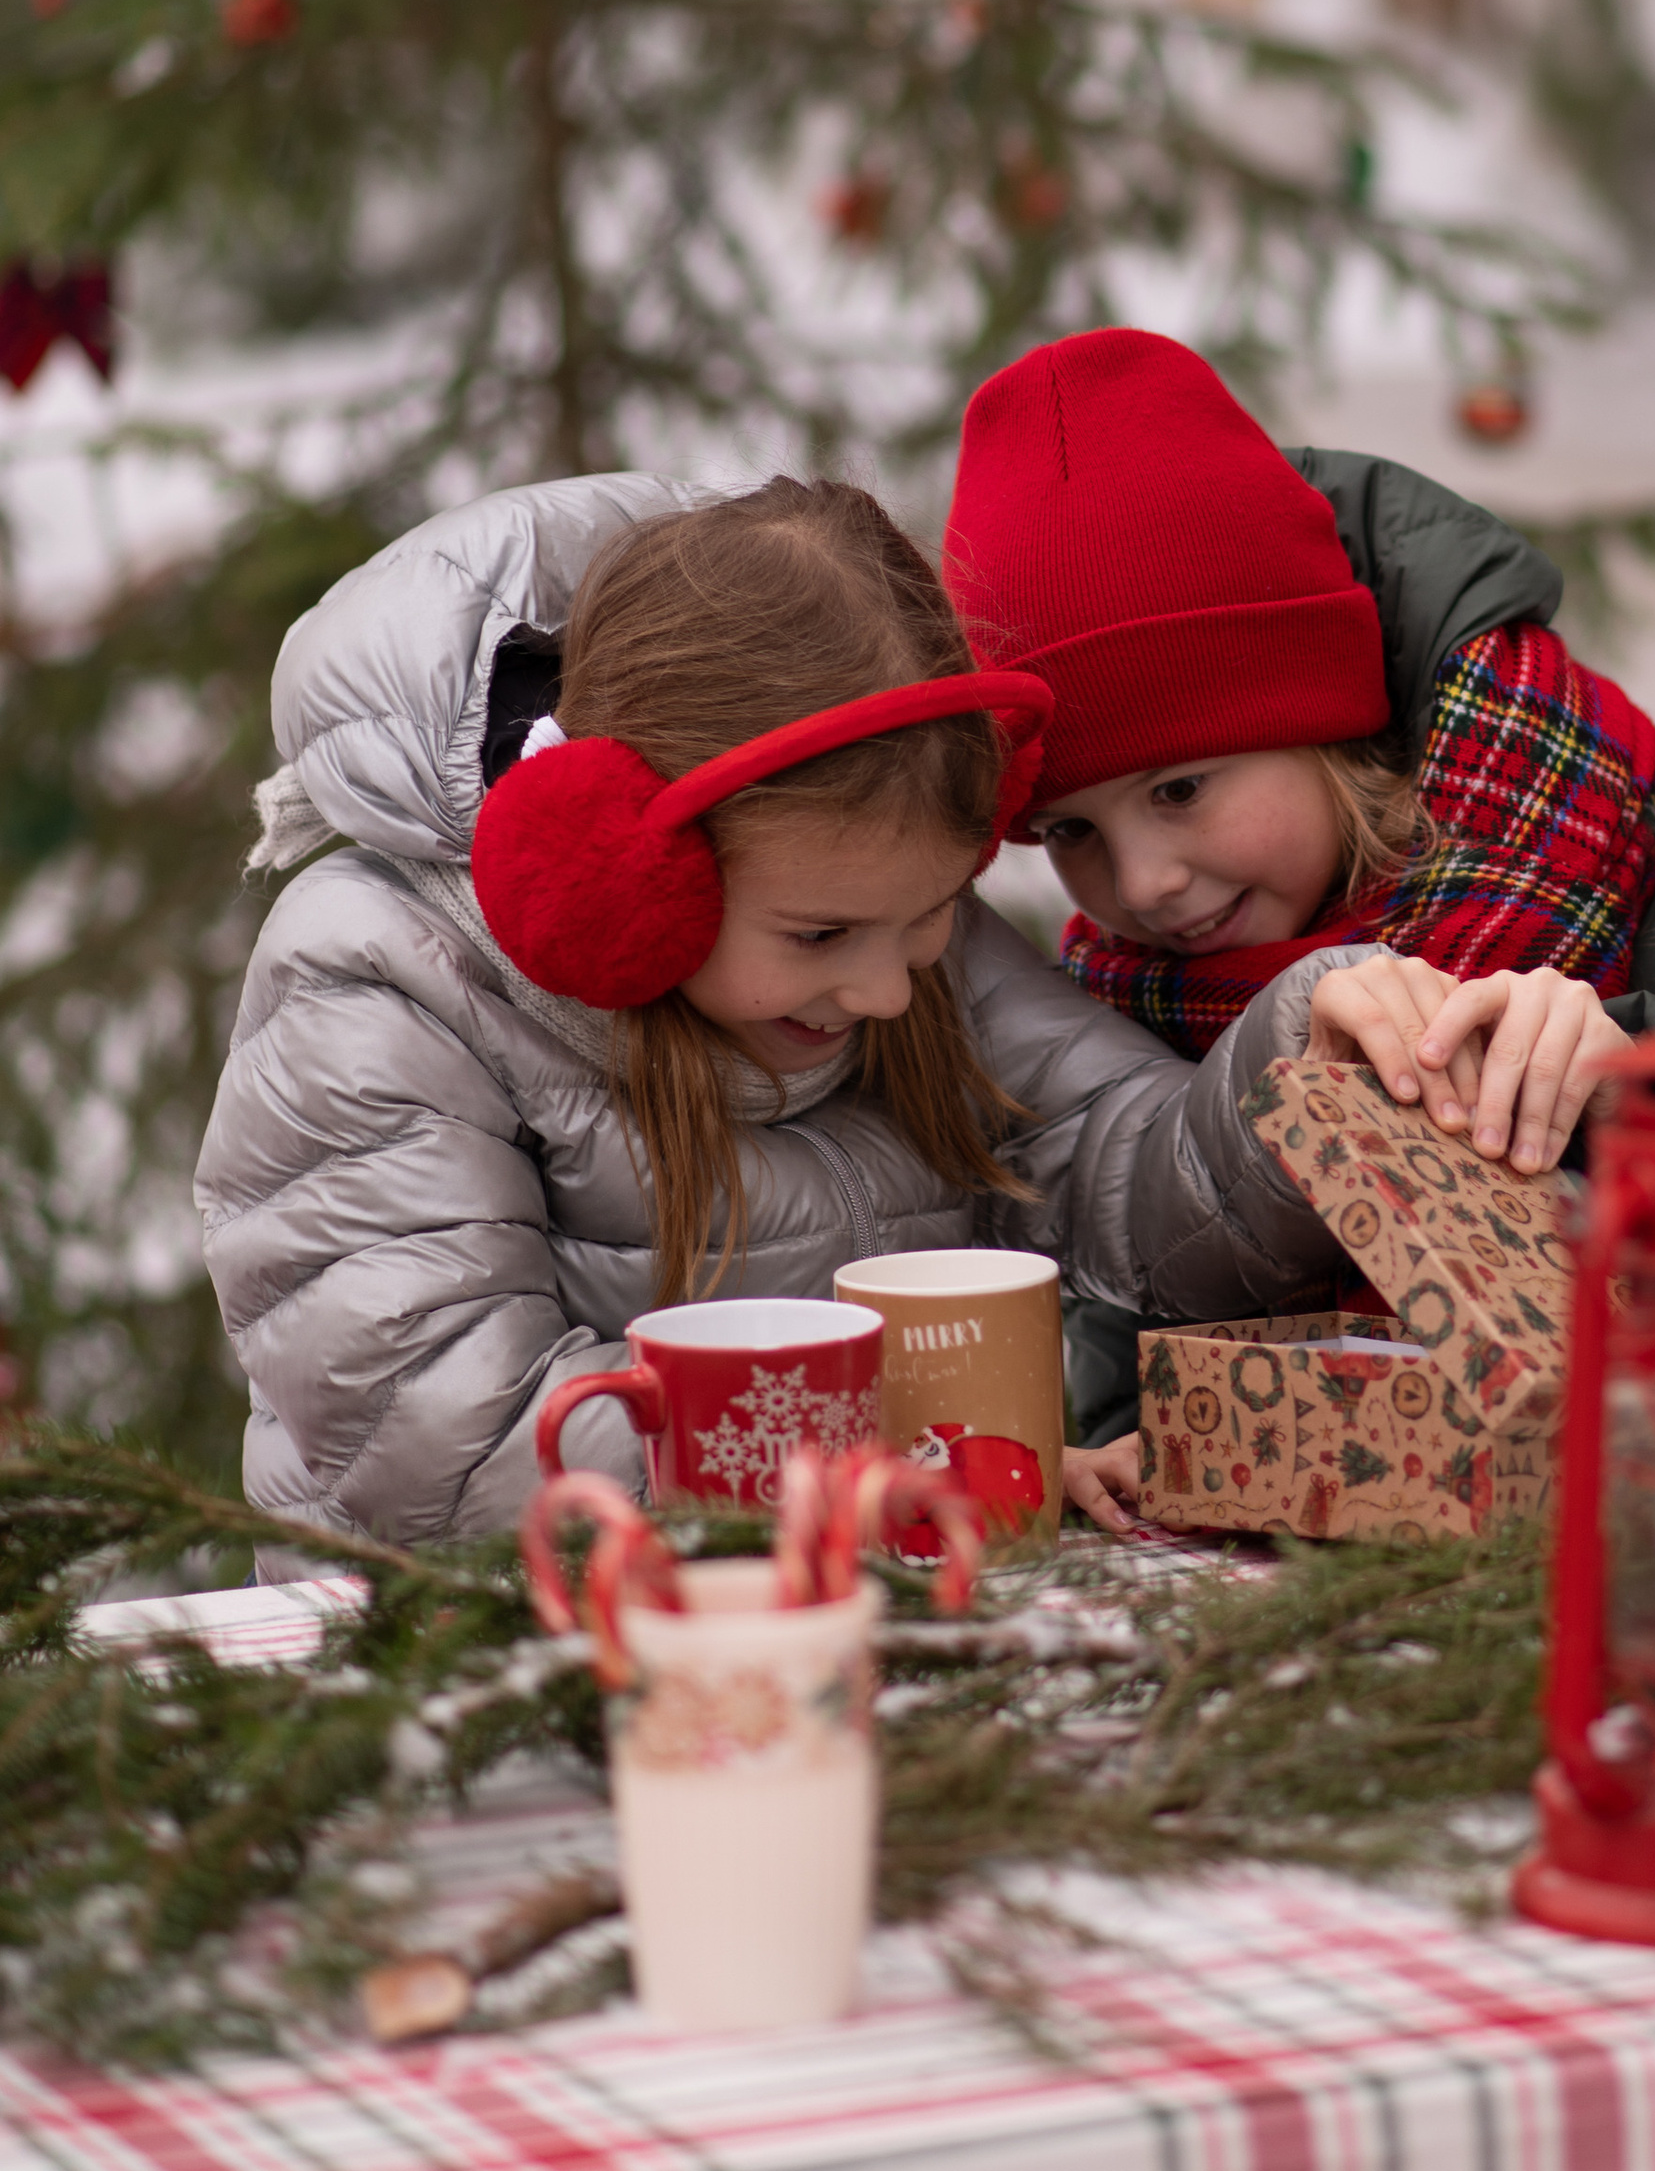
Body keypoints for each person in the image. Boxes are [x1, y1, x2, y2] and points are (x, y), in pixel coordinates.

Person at [197, 471, 1387, 1554]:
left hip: (866, 1610)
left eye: (931, 914)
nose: (883, 990)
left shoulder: (878, 899)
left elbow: (1135, 1180)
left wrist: (1311, 1061)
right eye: (818, 938)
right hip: (483, 1673)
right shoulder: (377, 980)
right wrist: (921, 1466)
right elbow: (453, 1448)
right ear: (629, 878)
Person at [943, 327, 1655, 1442]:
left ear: (1323, 716)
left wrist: (1646, 1099)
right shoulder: (1110, 1005)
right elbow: (1133, 1395)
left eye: (1180, 791)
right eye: (1069, 827)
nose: (1143, 882)